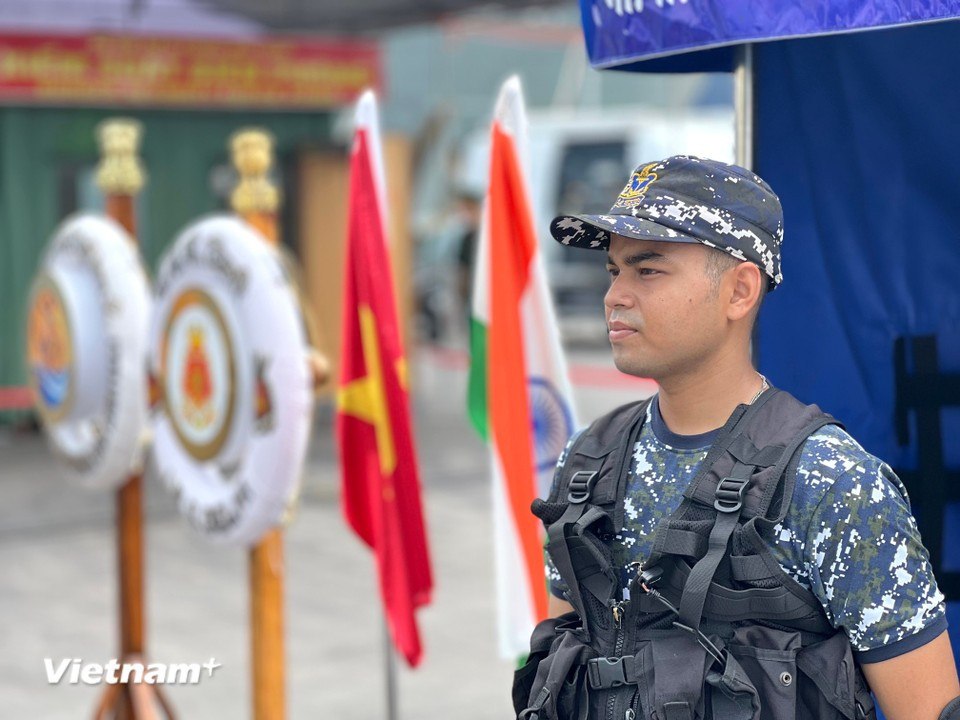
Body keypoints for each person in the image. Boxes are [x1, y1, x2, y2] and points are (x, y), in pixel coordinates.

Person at [514, 156, 960, 720]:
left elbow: (925, 708)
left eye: (647, 270)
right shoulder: (587, 463)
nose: (615, 296)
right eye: (613, 271)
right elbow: (566, 646)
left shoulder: (831, 483)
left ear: (739, 291)